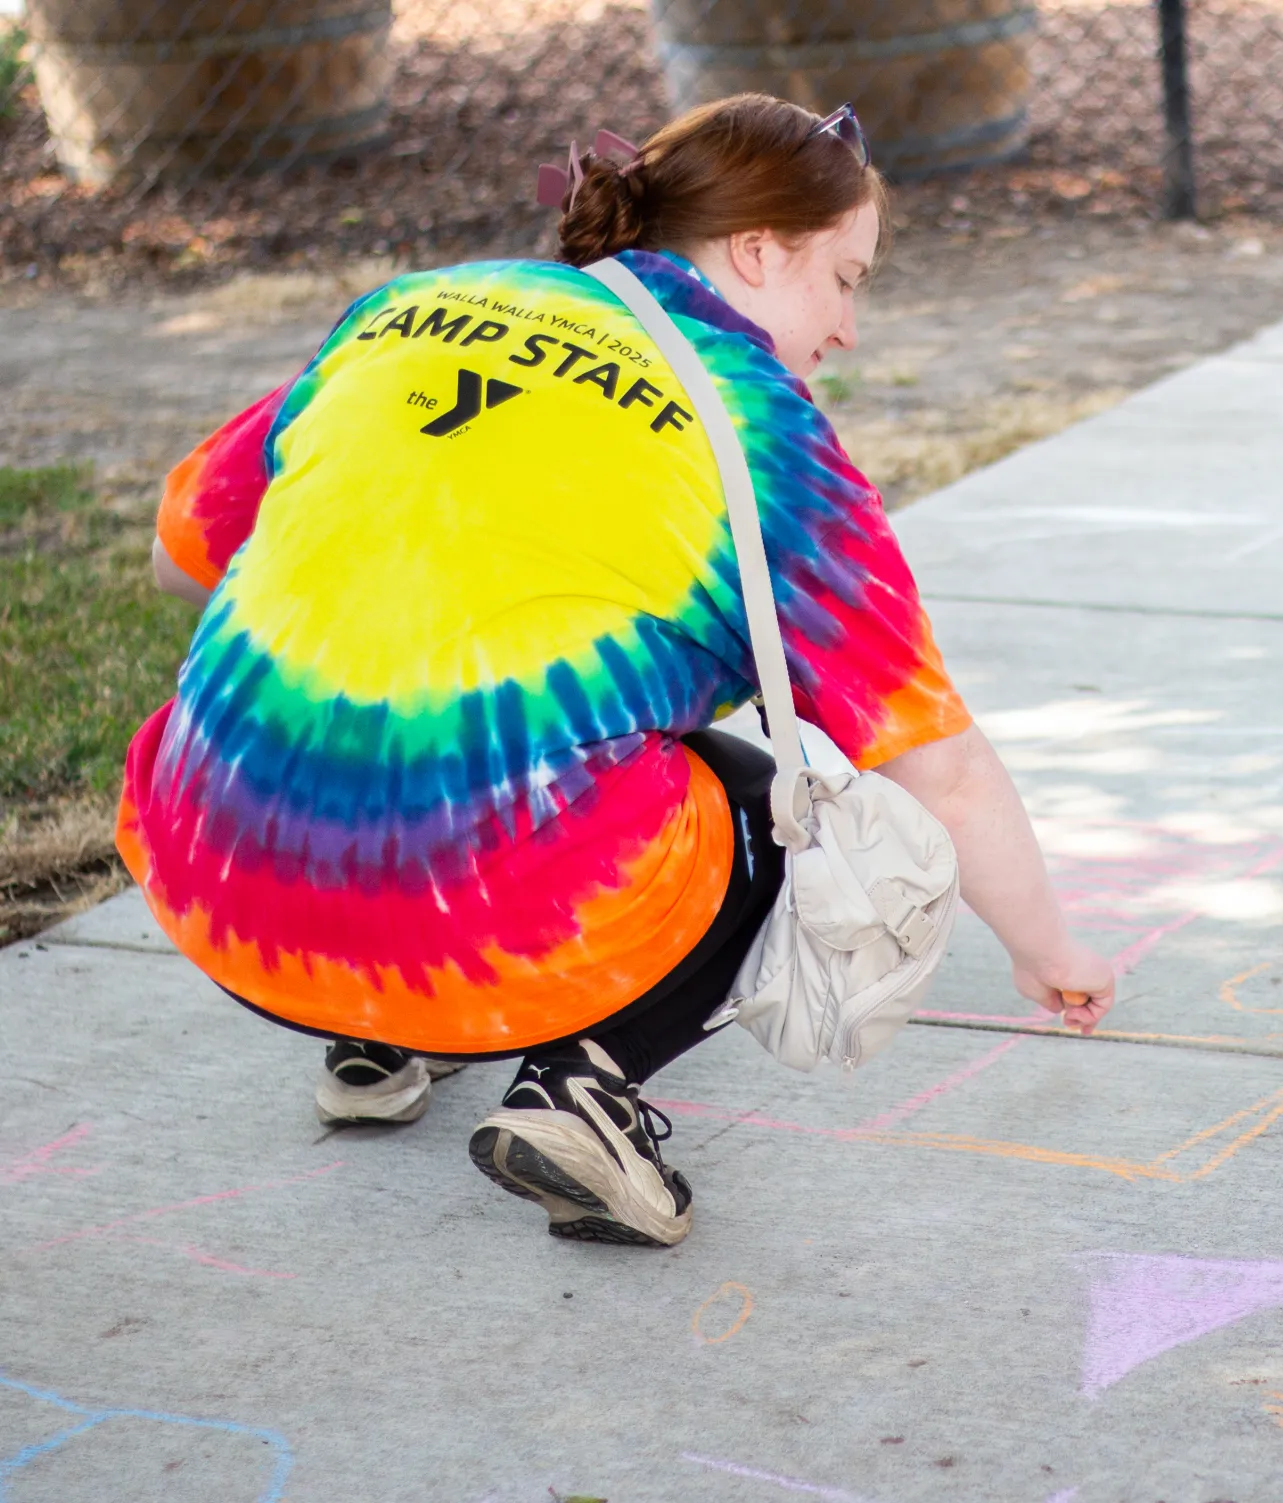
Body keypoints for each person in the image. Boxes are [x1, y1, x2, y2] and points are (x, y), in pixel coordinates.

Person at [124, 95, 1116, 1249]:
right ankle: (582, 1091)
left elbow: (179, 556)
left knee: (400, 719)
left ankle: (376, 1036)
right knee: (769, 811)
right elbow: (934, 770)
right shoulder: (758, 428)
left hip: (215, 880)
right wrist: (1051, 952)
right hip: (477, 926)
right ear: (758, 250)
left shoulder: (417, 305)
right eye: (845, 278)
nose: (847, 326)